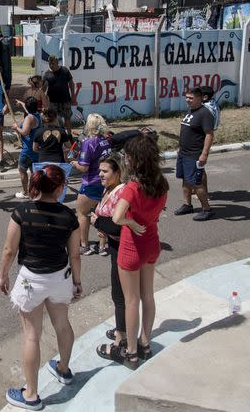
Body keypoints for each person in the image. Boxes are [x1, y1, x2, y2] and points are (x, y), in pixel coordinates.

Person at [0, 165, 81, 411]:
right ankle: (64, 369)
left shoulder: (22, 212)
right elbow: (75, 255)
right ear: (58, 188)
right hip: (60, 278)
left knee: (32, 335)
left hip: (31, 280)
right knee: (63, 325)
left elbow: (9, 250)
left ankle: (31, 395)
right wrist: (77, 282)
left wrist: (2, 275)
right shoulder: (68, 216)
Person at [111, 134, 168, 370]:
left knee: (131, 300)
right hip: (152, 242)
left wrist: (132, 223)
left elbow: (117, 217)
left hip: (132, 246)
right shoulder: (161, 183)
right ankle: (145, 342)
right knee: (148, 296)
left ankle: (131, 352)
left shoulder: (132, 188)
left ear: (133, 160)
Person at [91, 155, 129, 359]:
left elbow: (119, 226)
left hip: (122, 248)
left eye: (105, 171)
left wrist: (98, 223)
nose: (100, 175)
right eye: (100, 171)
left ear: (118, 172)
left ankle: (121, 341)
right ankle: (121, 329)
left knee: (120, 296)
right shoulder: (109, 189)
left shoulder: (122, 192)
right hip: (114, 247)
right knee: (118, 294)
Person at [70, 114, 112, 255]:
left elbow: (84, 168)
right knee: (103, 214)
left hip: (91, 182)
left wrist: (75, 163)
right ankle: (102, 246)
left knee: (82, 213)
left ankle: (84, 246)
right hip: (105, 181)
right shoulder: (105, 141)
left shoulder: (89, 142)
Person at [174, 87, 215, 221]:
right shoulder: (191, 110)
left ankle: (207, 209)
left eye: (191, 98)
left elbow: (209, 135)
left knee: (196, 183)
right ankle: (187, 205)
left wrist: (204, 155)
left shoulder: (205, 113)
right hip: (183, 153)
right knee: (185, 180)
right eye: (186, 97)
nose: (187, 100)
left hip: (194, 155)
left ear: (200, 98)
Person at [32, 107, 73, 203]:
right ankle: (57, 200)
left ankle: (44, 200)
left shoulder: (38, 132)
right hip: (58, 161)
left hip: (42, 161)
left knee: (43, 183)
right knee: (57, 183)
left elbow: (35, 149)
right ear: (56, 118)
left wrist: (43, 151)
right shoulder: (62, 131)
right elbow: (69, 146)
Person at [13, 97, 42, 199]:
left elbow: (25, 132)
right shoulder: (38, 115)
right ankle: (36, 192)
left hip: (27, 150)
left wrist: (16, 128)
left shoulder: (29, 118)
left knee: (22, 170)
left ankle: (25, 192)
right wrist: (22, 103)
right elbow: (29, 110)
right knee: (35, 172)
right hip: (36, 149)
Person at [42, 55, 76, 132]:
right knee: (54, 119)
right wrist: (44, 86)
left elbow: (71, 83)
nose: (51, 65)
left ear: (57, 62)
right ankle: (57, 135)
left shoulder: (64, 70)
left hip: (65, 99)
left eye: (53, 63)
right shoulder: (46, 74)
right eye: (49, 64)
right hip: (53, 102)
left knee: (67, 118)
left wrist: (73, 96)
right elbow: (43, 90)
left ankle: (69, 135)